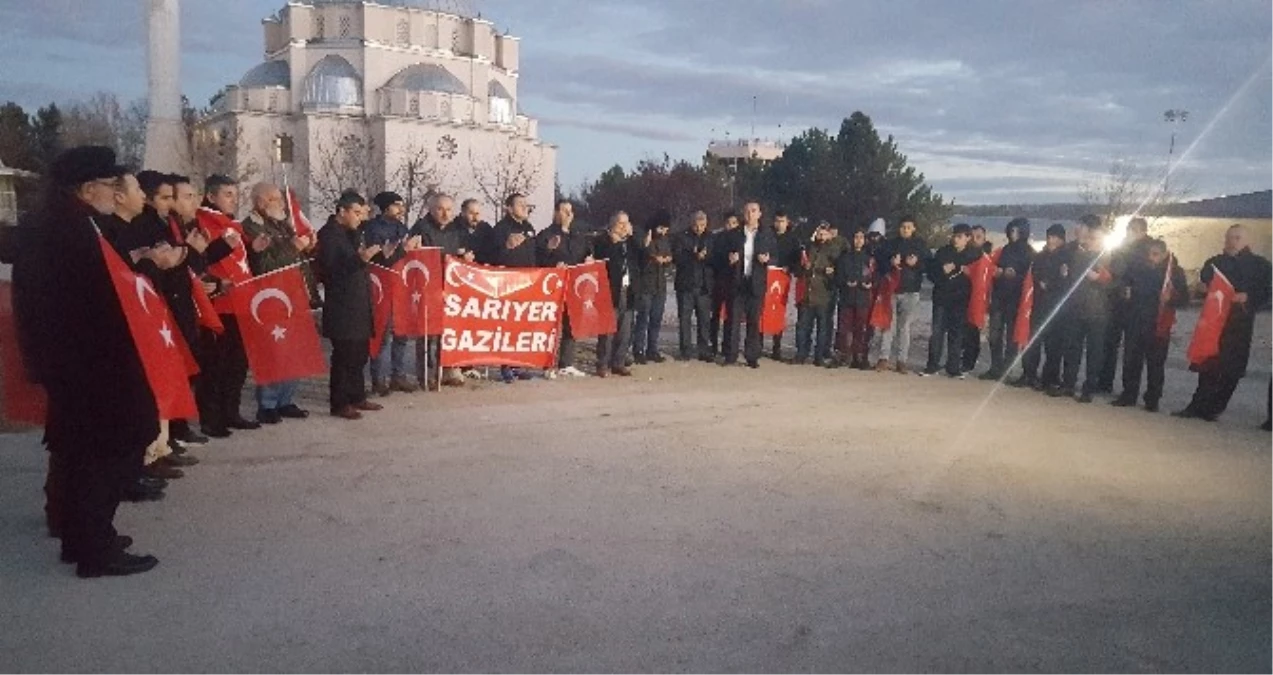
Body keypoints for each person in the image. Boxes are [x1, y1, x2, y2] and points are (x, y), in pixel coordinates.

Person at [13, 146, 161, 577]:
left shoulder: (54, 223)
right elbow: (94, 299)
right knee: (113, 447)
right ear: (89, 187)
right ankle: (95, 549)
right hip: (92, 361)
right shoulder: (73, 230)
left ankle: (83, 538)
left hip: (72, 360)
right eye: (111, 185)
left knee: (81, 452)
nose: (114, 192)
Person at [1175, 224, 1272, 422]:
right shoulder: (1215, 262)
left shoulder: (1260, 265)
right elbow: (1204, 284)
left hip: (1240, 323)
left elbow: (1267, 293)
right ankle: (1197, 406)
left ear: (1247, 241)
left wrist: (1249, 297)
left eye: (1236, 238)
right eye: (1228, 238)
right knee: (1209, 364)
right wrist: (1202, 289)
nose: (1231, 242)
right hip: (1214, 321)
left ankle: (1215, 407)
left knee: (1232, 369)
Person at [240, 182, 313, 424]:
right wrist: (292, 248)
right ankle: (268, 403)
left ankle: (286, 399)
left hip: (292, 294)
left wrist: (304, 248)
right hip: (270, 296)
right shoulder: (250, 227)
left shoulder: (282, 224)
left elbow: (294, 258)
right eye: (275, 199)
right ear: (260, 202)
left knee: (293, 349)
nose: (281, 203)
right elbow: (263, 266)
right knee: (273, 349)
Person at [196, 174, 260, 437]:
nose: (234, 200)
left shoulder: (231, 224)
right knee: (216, 364)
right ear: (211, 196)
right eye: (228, 194)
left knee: (237, 363)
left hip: (241, 301)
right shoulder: (203, 223)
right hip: (220, 304)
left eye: (235, 194)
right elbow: (201, 261)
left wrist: (253, 249)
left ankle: (231, 411)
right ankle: (211, 417)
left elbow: (241, 263)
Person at [318, 190, 385, 420]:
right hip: (342, 306)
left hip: (359, 303)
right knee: (344, 357)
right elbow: (332, 271)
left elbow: (360, 259)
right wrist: (360, 259)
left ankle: (357, 395)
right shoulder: (329, 235)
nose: (360, 218)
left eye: (361, 213)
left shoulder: (352, 233)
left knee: (359, 354)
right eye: (356, 213)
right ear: (341, 211)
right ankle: (339, 402)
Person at [1112, 239, 1188, 412]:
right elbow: (1124, 283)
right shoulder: (1137, 268)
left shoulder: (1174, 272)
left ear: (1164, 254)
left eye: (1155, 254)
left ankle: (1152, 399)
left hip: (1158, 323)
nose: (1151, 258)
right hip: (1135, 320)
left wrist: (1171, 298)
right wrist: (1125, 291)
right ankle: (1129, 394)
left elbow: (1184, 299)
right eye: (1149, 254)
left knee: (1156, 364)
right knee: (1131, 360)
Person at [1051, 215, 1113, 403]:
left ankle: (1089, 388)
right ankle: (1068, 384)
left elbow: (1116, 282)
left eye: (1093, 237)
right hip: (1075, 308)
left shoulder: (1108, 255)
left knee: (1094, 351)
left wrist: (1101, 279)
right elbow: (1067, 276)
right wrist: (1063, 273)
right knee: (1072, 348)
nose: (1088, 239)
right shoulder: (1075, 252)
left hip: (1098, 311)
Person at [363, 191, 416, 396]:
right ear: (386, 208)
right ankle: (378, 379)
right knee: (383, 337)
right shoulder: (373, 229)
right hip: (382, 288)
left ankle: (398, 376)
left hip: (402, 286)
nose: (400, 210)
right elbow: (383, 259)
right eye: (396, 206)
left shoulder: (401, 227)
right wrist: (401, 249)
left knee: (401, 334)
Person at [410, 193, 464, 389]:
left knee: (449, 330)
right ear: (431, 210)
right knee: (426, 334)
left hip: (450, 286)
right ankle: (425, 373)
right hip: (427, 287)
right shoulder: (421, 228)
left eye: (449, 209)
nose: (445, 213)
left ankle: (448, 369)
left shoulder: (456, 229)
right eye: (440, 209)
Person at [716, 201, 777, 368]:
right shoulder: (734, 234)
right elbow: (721, 255)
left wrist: (767, 259)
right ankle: (730, 355)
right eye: (747, 211)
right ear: (744, 214)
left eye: (754, 211)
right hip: (737, 282)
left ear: (759, 214)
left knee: (753, 322)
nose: (750, 214)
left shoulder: (767, 234)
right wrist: (730, 259)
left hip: (756, 282)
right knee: (733, 320)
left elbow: (776, 255)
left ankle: (752, 356)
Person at [536, 198, 592, 377]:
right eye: (564, 210)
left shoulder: (578, 235)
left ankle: (566, 363)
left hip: (573, 286)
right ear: (556, 213)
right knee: (551, 325)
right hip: (552, 287)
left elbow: (586, 253)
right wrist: (551, 254)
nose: (568, 214)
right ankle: (547, 364)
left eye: (570, 211)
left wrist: (588, 259)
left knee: (571, 324)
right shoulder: (545, 235)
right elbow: (537, 260)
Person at [1098, 216, 1153, 393]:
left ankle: (1129, 391)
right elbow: (1114, 271)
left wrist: (1133, 288)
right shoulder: (1122, 248)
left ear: (1143, 231)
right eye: (1129, 229)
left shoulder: (1150, 250)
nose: (1130, 233)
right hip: (1116, 302)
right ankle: (1104, 382)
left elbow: (1148, 276)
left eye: (1134, 230)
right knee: (1109, 344)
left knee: (1132, 351)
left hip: (1136, 306)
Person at [1012, 224, 1069, 390]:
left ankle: (1050, 378)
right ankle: (1029, 374)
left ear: (1061, 240)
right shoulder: (1040, 256)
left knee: (1053, 345)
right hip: (1037, 304)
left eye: (1055, 237)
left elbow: (1067, 280)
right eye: (1049, 236)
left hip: (1056, 306)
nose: (1051, 240)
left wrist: (1050, 284)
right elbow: (1033, 274)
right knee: (1032, 342)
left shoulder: (1066, 256)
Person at [489, 193, 538, 382]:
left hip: (529, 282)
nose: (525, 207)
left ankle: (518, 363)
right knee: (507, 326)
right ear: (509, 208)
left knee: (522, 326)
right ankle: (505, 365)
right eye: (521, 204)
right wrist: (507, 246)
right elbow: (493, 255)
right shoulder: (501, 229)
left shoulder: (529, 228)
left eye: (527, 204)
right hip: (508, 284)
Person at [982, 218, 1035, 380]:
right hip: (999, 297)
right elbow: (989, 264)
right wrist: (997, 271)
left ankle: (1006, 370)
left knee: (1012, 338)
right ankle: (995, 367)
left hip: (1016, 299)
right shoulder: (1004, 250)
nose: (1013, 234)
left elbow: (1032, 276)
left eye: (1016, 230)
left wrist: (1015, 275)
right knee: (994, 334)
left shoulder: (1029, 253)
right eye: (1011, 230)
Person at [873, 216, 927, 373]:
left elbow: (928, 266)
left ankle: (902, 361)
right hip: (892, 289)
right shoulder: (890, 244)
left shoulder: (920, 245)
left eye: (909, 227)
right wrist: (890, 262)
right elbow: (879, 264)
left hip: (911, 290)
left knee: (904, 327)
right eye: (903, 226)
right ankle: (883, 358)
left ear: (914, 228)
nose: (905, 229)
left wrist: (916, 263)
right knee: (888, 324)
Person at [922, 223, 976, 378]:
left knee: (956, 334)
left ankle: (953, 368)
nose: (956, 239)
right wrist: (942, 271)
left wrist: (966, 272)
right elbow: (931, 273)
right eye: (954, 236)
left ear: (967, 238)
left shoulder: (972, 255)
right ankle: (932, 365)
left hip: (960, 300)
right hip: (942, 298)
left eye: (960, 237)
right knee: (937, 332)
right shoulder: (943, 252)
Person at [592, 211, 639, 378]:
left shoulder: (631, 243)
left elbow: (643, 256)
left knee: (625, 330)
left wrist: (633, 237)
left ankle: (618, 362)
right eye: (621, 223)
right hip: (610, 290)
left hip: (628, 290)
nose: (624, 227)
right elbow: (602, 259)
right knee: (607, 330)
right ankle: (602, 364)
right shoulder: (603, 240)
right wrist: (614, 244)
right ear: (612, 224)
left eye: (626, 223)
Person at [793, 222, 838, 366]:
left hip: (824, 295)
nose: (822, 236)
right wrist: (803, 266)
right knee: (803, 327)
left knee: (822, 329)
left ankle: (819, 356)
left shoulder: (834, 251)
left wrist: (832, 272)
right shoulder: (808, 249)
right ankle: (801, 354)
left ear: (830, 235)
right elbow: (799, 269)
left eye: (824, 233)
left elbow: (839, 272)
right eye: (819, 233)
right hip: (807, 294)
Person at [673, 210, 714, 362]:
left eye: (702, 225)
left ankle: (703, 350)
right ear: (691, 224)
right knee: (684, 319)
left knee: (704, 320)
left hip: (704, 286)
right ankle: (685, 350)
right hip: (686, 285)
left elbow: (716, 257)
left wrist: (706, 256)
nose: (699, 228)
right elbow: (676, 258)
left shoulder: (711, 237)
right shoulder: (681, 237)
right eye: (696, 225)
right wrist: (693, 255)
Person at [633, 210, 673, 364]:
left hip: (660, 284)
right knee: (643, 318)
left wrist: (667, 260)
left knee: (656, 319)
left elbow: (669, 256)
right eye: (661, 228)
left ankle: (652, 349)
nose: (663, 232)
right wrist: (649, 252)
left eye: (666, 229)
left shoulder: (665, 240)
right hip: (645, 284)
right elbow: (640, 259)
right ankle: (638, 350)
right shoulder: (643, 236)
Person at [835, 228, 875, 369]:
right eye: (856, 237)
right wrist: (845, 283)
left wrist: (870, 284)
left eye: (861, 237)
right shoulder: (844, 257)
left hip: (862, 298)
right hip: (847, 297)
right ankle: (843, 355)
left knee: (861, 329)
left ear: (865, 240)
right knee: (844, 328)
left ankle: (858, 357)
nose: (858, 240)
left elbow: (874, 277)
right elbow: (838, 277)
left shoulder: (868, 258)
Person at [708, 210, 741, 356]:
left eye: (734, 223)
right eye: (728, 223)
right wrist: (726, 259)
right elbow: (712, 259)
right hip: (718, 281)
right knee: (714, 315)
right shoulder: (717, 238)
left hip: (734, 283)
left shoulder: (742, 238)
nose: (731, 226)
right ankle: (712, 345)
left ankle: (727, 347)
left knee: (731, 317)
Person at [960, 225, 993, 373]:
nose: (974, 239)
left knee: (972, 331)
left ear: (984, 239)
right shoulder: (962, 253)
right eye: (972, 236)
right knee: (960, 331)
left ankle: (969, 362)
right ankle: (958, 359)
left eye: (978, 237)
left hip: (977, 300)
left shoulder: (984, 258)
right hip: (960, 297)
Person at [768, 211, 797, 361]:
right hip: (767, 275)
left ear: (787, 222)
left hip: (783, 278)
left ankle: (776, 346)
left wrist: (790, 267)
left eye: (782, 221)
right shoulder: (767, 235)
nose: (780, 224)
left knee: (779, 310)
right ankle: (758, 343)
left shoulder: (792, 239)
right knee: (763, 309)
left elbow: (796, 258)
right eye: (777, 221)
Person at [458, 198, 494, 265]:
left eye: (477, 213)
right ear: (463, 213)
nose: (475, 217)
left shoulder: (486, 229)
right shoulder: (453, 229)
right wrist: (461, 257)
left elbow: (493, 250)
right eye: (471, 213)